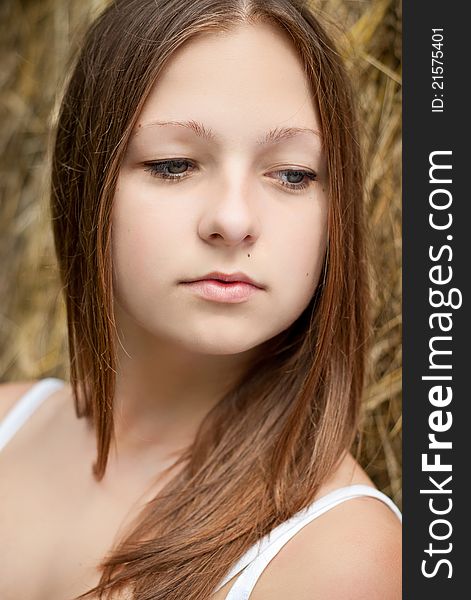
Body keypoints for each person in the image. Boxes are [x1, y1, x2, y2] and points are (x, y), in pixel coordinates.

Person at [0, 0, 402, 598]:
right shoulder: (7, 421)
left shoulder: (341, 553)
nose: (233, 220)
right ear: (85, 185)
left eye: (292, 174)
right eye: (174, 164)